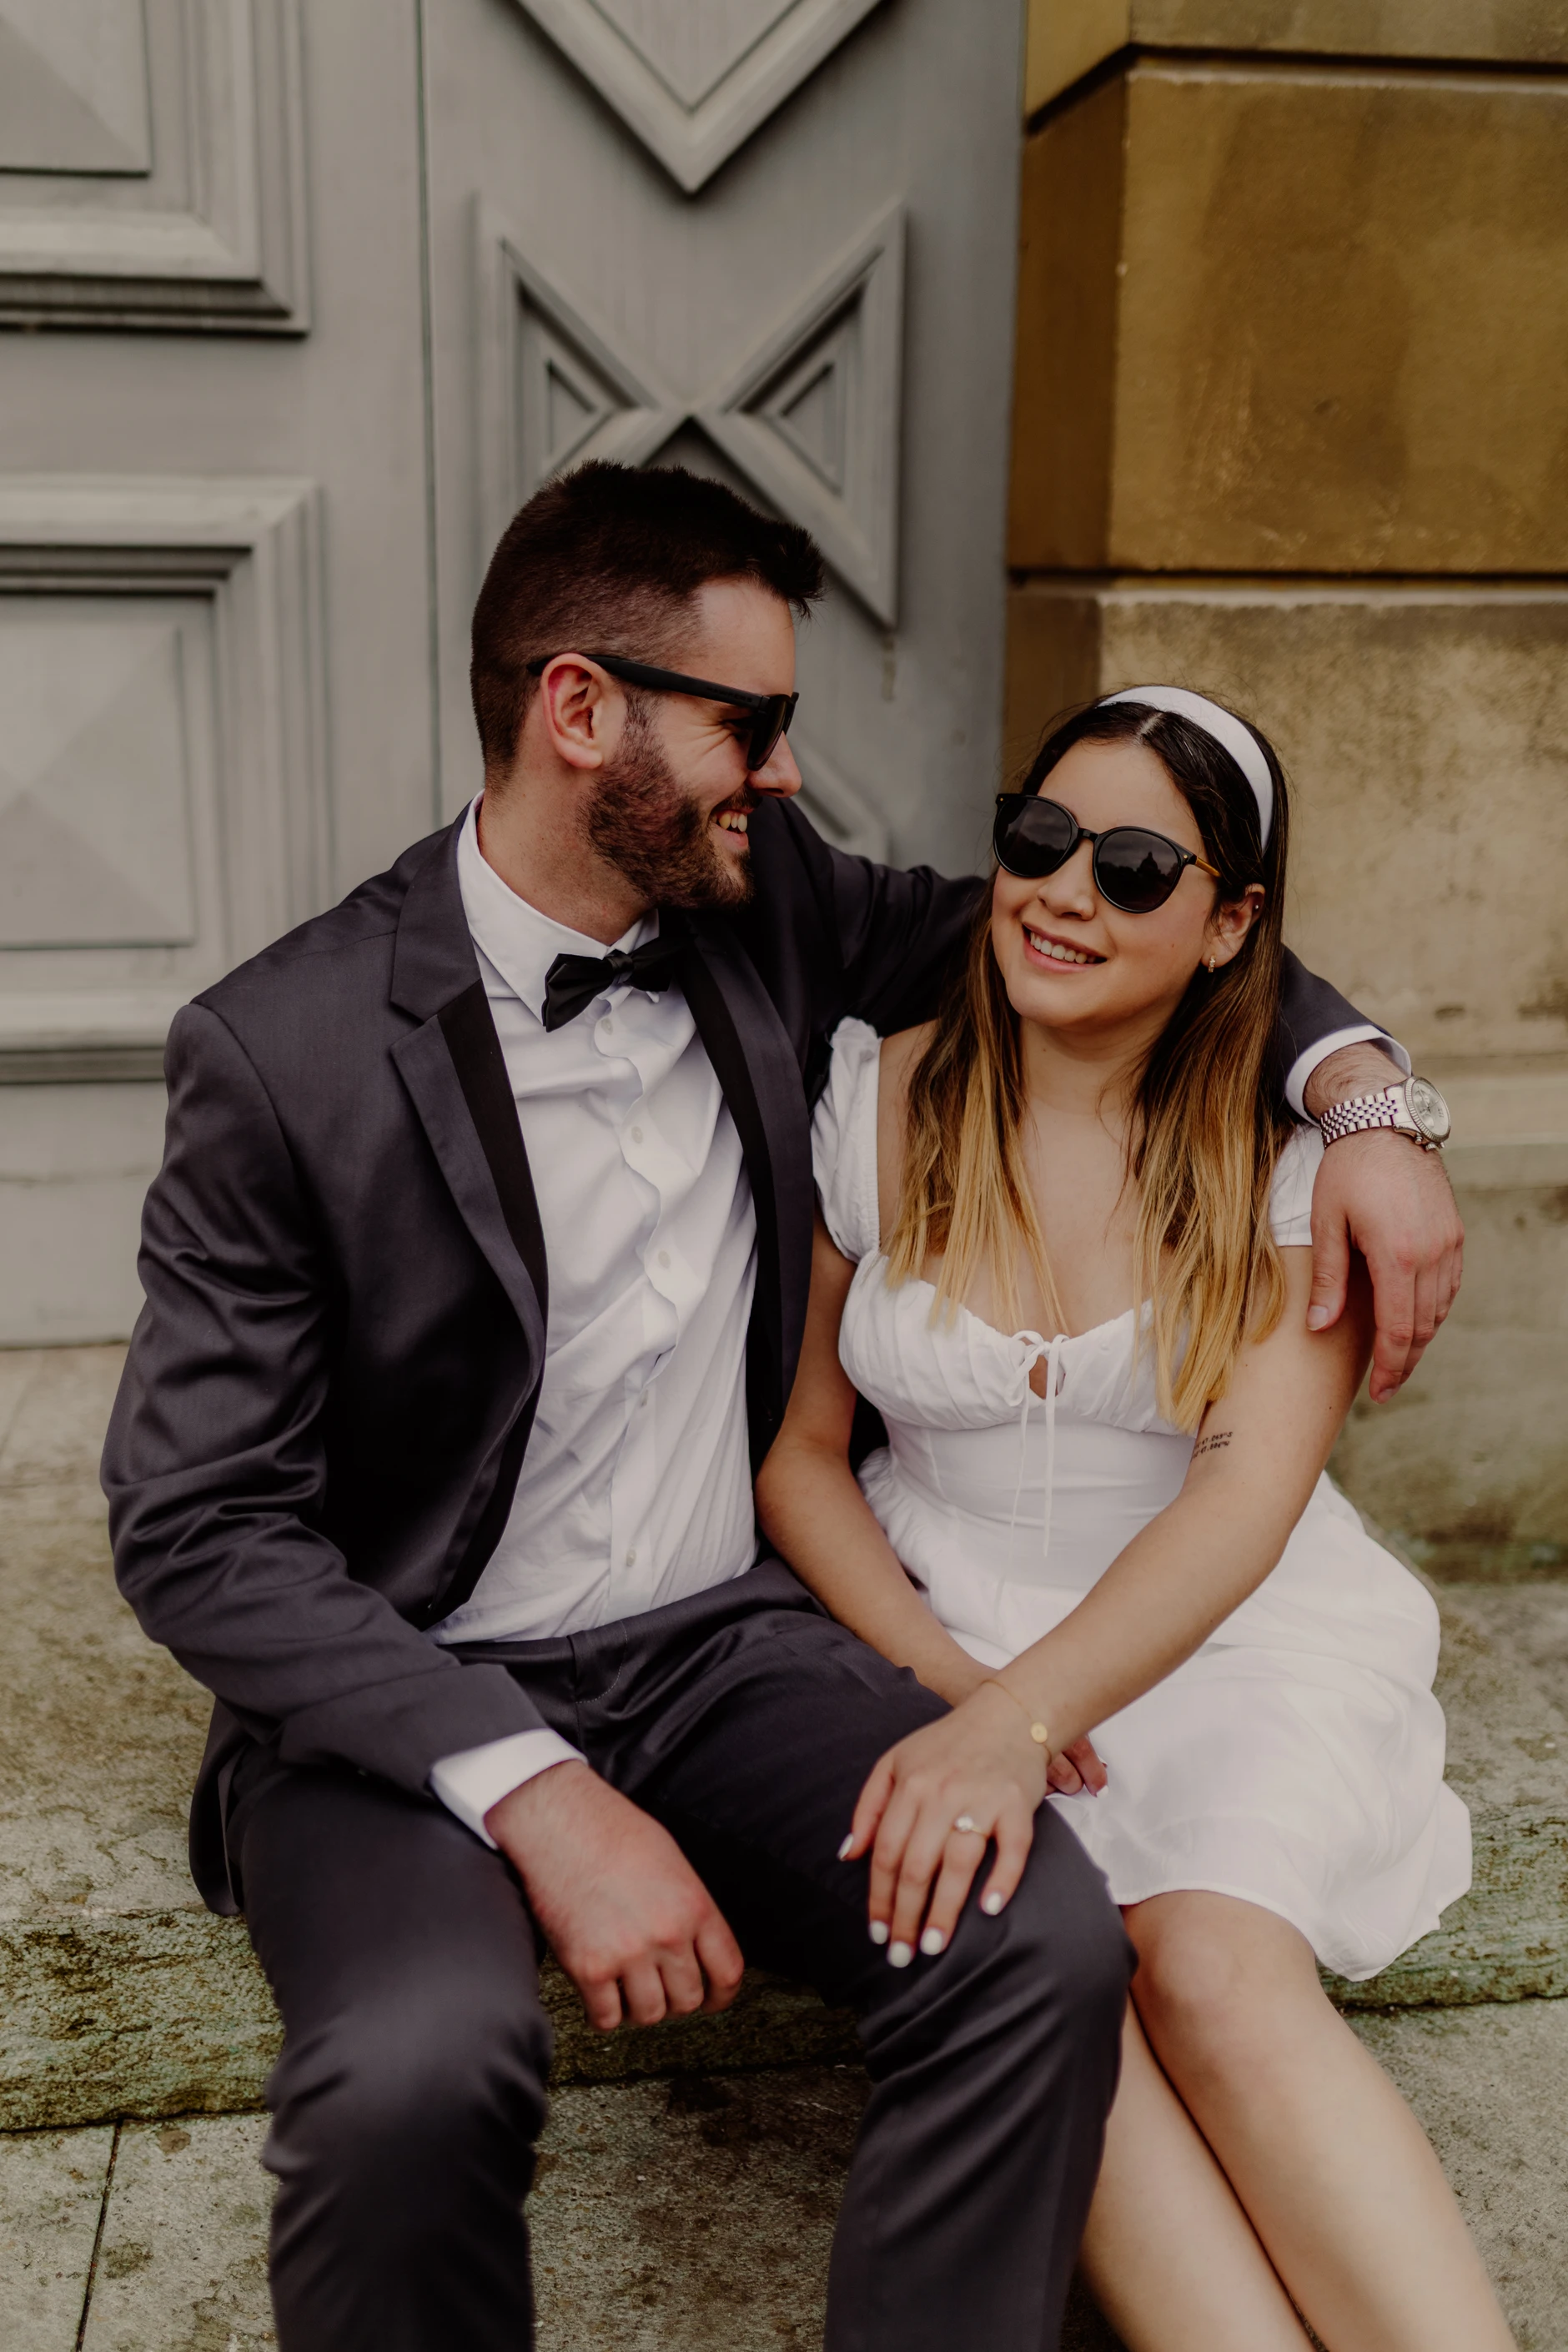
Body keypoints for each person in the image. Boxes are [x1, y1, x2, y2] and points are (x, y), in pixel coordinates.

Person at [102, 463, 1460, 2352]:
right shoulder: (283, 1050)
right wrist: (537, 1795)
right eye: (751, 724)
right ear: (582, 713)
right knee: (416, 2067)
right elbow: (197, 1527)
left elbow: (1154, 934)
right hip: (420, 1693)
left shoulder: (763, 900)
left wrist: (1369, 1105)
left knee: (1033, 1946)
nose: (790, 775)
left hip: (719, 1652)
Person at [756, 686, 1505, 2351]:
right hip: (930, 1623)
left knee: (1216, 1977)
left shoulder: (1284, 1158)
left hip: (1223, 1636)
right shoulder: (879, 1097)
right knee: (1047, 1982)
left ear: (1234, 921)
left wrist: (1031, 1717)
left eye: (1136, 866)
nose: (1062, 892)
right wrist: (962, 1701)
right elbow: (802, 1455)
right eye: (1037, 840)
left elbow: (1245, 1495)